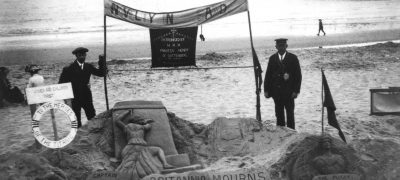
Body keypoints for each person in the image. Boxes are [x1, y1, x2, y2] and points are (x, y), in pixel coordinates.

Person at [115, 111, 173, 179]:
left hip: (129, 147)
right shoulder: (142, 127)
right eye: (140, 120)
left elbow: (117, 120)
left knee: (128, 165)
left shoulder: (126, 127)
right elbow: (149, 125)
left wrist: (127, 112)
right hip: (141, 147)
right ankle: (165, 164)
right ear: (138, 121)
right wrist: (145, 121)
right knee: (158, 150)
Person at [58, 47, 106, 128]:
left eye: (84, 55)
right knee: (76, 121)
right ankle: (78, 137)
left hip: (86, 96)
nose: (82, 57)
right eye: (80, 55)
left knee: (92, 117)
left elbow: (101, 73)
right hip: (75, 98)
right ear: (76, 56)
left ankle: (92, 135)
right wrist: (67, 100)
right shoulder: (68, 69)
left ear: (85, 55)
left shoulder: (88, 66)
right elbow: (61, 84)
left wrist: (102, 61)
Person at [264, 38, 302, 129]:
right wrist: (266, 90)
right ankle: (280, 134)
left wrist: (296, 91)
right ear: (276, 47)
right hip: (276, 93)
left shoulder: (293, 58)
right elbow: (268, 75)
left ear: (286, 46)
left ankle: (292, 133)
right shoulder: (272, 59)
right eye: (279, 46)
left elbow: (298, 76)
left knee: (290, 115)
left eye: (283, 45)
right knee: (279, 115)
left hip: (289, 93)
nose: (281, 48)